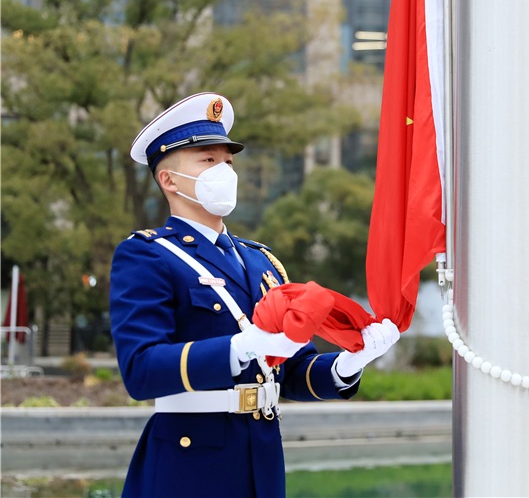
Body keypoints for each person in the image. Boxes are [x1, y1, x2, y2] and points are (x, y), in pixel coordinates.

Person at [110, 92, 400, 498]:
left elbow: (293, 370)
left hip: (260, 458)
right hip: (188, 463)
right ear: (169, 179)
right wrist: (239, 348)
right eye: (207, 161)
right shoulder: (148, 255)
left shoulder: (262, 262)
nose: (223, 171)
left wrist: (347, 365)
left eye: (228, 161)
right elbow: (140, 369)